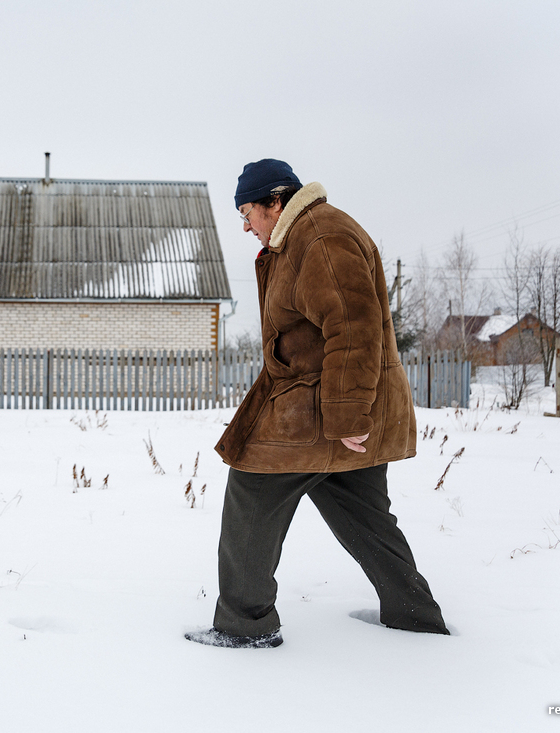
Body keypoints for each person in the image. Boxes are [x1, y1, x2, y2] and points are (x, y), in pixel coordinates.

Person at [185, 159, 448, 649]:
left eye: (248, 213)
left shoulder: (320, 238)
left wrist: (349, 415)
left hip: (321, 413)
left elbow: (352, 327)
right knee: (365, 517)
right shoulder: (303, 236)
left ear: (276, 202)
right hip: (335, 410)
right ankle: (415, 619)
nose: (246, 226)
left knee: (251, 491)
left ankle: (246, 626)